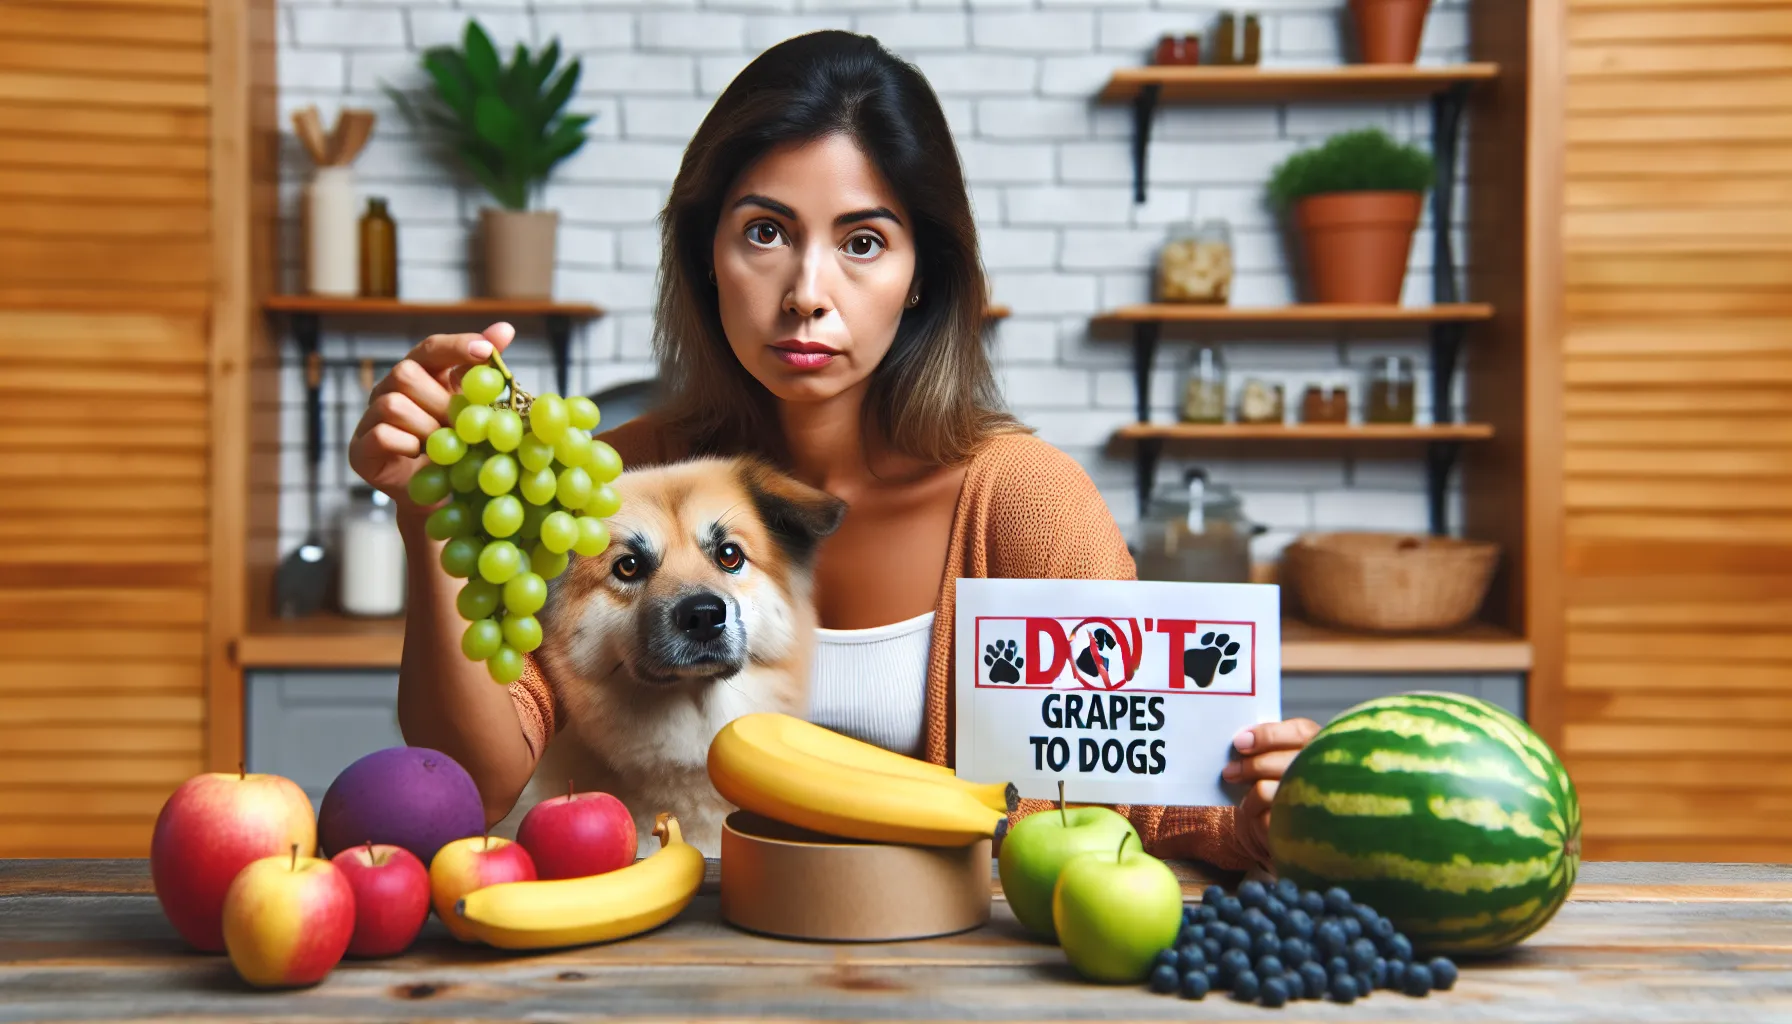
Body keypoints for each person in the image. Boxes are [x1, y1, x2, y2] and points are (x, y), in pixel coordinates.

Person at [349, 30, 1316, 872]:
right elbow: (473, 785)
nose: (807, 290)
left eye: (862, 242)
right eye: (766, 232)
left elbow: (1138, 794)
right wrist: (426, 518)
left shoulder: (1025, 503)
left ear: (921, 275)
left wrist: (1265, 805)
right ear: (705, 256)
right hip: (663, 971)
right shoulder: (617, 487)